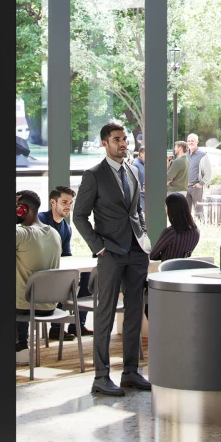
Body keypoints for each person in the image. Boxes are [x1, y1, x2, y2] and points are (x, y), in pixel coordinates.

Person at [71, 121, 151, 398]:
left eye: (125, 138)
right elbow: (79, 216)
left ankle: (130, 371)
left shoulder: (131, 170)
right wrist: (98, 247)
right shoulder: (93, 175)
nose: (123, 143)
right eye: (117, 139)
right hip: (111, 254)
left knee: (132, 315)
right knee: (104, 315)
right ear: (105, 143)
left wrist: (144, 237)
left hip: (137, 252)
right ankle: (101, 377)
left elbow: (136, 210)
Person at [15, 188, 61, 357]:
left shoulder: (20, 233)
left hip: (25, 307)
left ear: (22, 209)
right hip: (49, 306)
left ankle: (20, 347)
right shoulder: (54, 233)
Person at [149, 192, 201, 262]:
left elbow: (153, 255)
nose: (165, 208)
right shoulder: (195, 231)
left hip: (168, 270)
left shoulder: (170, 232)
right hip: (185, 269)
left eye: (166, 205)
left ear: (171, 209)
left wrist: (165, 255)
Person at [45, 185, 76, 257]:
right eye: (64, 202)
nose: (69, 207)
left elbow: (66, 256)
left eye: (70, 203)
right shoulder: (40, 220)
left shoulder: (67, 229)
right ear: (53, 202)